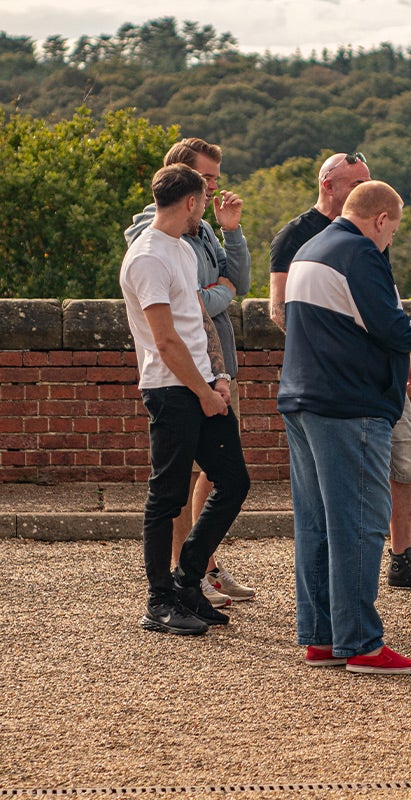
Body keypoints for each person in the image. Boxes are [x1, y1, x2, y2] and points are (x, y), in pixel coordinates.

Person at [278, 180, 411, 674]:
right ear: (380, 219)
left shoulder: (311, 248)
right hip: (349, 405)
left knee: (316, 523)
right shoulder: (361, 254)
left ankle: (323, 638)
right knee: (358, 522)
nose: (389, 239)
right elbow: (390, 326)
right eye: (392, 229)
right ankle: (362, 644)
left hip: (302, 399)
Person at [119, 163, 251, 636]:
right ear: (191, 202)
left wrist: (218, 378)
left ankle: (187, 580)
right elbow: (165, 341)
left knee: (233, 482)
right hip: (170, 390)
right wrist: (201, 390)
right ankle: (158, 601)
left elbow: (199, 322)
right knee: (167, 496)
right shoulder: (148, 257)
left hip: (202, 386)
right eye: (204, 200)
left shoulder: (182, 250)